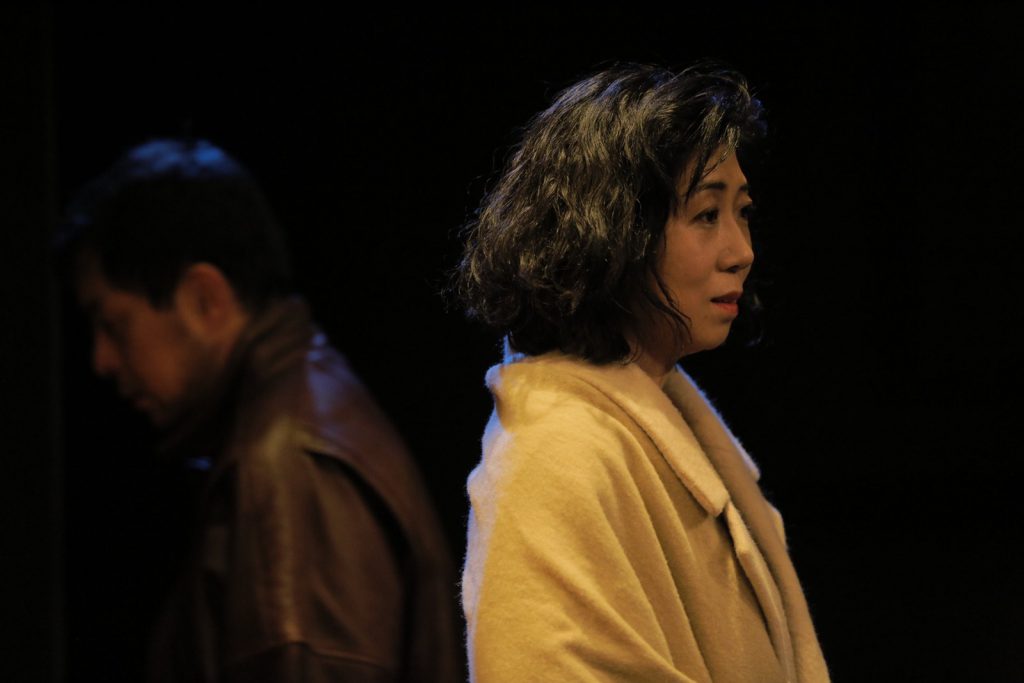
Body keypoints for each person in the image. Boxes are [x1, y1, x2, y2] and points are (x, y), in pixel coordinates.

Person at [455, 64, 830, 682]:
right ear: (613, 231)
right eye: (706, 214)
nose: (742, 252)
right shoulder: (553, 454)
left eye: (742, 212)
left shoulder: (653, 411)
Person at [57, 139, 460, 682]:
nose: (101, 359)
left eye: (113, 324)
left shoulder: (287, 465)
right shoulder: (295, 423)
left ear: (204, 299)